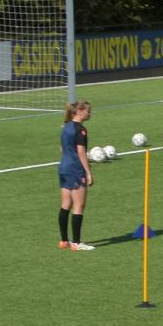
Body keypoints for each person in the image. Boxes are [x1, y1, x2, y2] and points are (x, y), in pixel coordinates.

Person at [58, 100, 95, 251]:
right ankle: (77, 243)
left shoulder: (65, 127)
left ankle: (64, 240)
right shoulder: (81, 130)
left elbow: (62, 148)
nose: (90, 113)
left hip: (63, 168)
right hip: (75, 169)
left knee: (66, 204)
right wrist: (88, 172)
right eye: (88, 111)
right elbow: (81, 152)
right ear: (79, 111)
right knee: (79, 205)